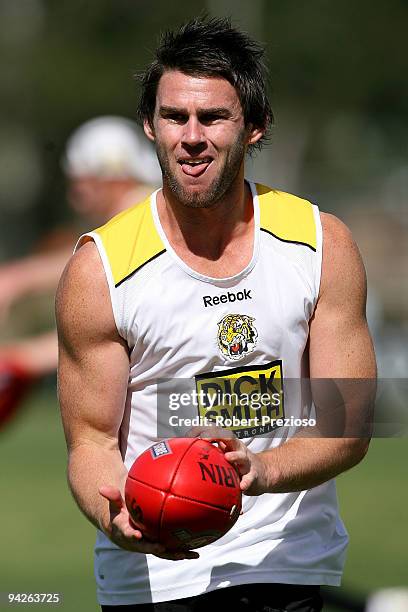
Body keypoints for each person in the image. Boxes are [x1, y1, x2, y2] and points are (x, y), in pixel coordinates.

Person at [56, 17, 376, 612]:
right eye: (175, 117)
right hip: (153, 574)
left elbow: (347, 423)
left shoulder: (320, 243)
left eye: (214, 117)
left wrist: (261, 470)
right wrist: (114, 514)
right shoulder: (99, 269)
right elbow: (91, 441)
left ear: (255, 127)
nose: (192, 137)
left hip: (283, 562)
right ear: (150, 125)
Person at [0, 116, 160, 384]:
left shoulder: (140, 218)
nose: (74, 194)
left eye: (80, 182)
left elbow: (99, 329)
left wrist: (19, 358)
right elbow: (91, 257)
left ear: (111, 177)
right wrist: (20, 277)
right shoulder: (136, 217)